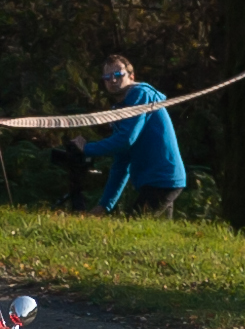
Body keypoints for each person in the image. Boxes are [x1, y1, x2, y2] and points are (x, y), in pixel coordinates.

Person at [73, 55, 187, 219]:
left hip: (162, 180)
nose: (112, 80)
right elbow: (121, 161)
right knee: (155, 238)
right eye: (107, 77)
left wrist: (87, 148)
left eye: (118, 75)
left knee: (134, 228)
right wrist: (104, 206)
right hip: (155, 183)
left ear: (131, 76)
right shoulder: (122, 109)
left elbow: (126, 140)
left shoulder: (139, 94)